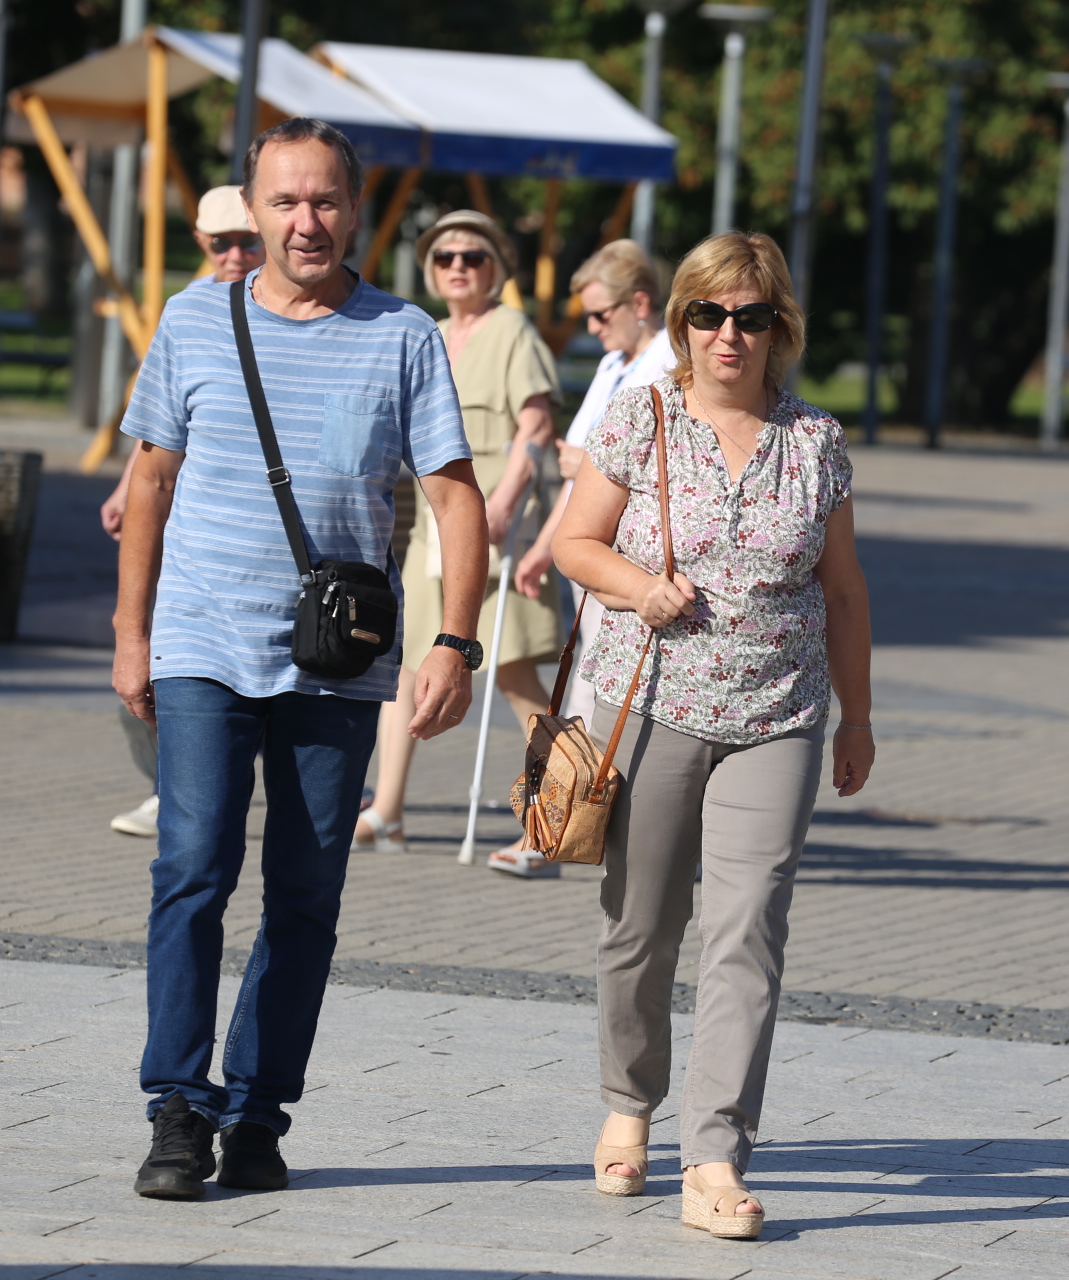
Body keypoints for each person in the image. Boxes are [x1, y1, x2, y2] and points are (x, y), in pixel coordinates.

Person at [112, 118, 487, 1200]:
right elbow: (148, 482)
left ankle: (260, 1109)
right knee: (191, 867)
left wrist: (455, 642)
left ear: (357, 209)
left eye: (324, 201)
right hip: (202, 640)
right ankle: (177, 1106)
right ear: (255, 209)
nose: (305, 221)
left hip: (337, 658)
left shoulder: (404, 334)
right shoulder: (193, 319)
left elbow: (456, 499)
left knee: (307, 893)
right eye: (284, 202)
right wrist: (132, 631)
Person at [551, 231, 875, 1240]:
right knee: (640, 925)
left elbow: (846, 589)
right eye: (708, 314)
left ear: (782, 328)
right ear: (681, 320)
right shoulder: (642, 419)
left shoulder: (815, 442)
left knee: (749, 932)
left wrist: (856, 717)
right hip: (646, 705)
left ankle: (714, 1150)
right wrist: (641, 588)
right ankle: (628, 1099)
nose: (729, 334)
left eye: (752, 316)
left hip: (778, 716)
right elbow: (573, 541)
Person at [353, 209, 565, 877]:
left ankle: (549, 823)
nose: (457, 268)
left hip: (498, 525)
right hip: (432, 531)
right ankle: (387, 810)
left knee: (514, 673)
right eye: (444, 257)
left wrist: (503, 504)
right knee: (409, 664)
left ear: (496, 266)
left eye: (472, 256)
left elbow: (535, 431)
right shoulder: (432, 333)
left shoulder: (512, 331)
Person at [99, 185, 267, 838]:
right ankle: (171, 789)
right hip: (181, 520)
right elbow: (157, 430)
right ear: (200, 243)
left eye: (245, 241)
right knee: (148, 662)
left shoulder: (300, 313)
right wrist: (124, 488)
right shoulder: (187, 311)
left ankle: (211, 788)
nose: (232, 254)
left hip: (249, 526)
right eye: (218, 243)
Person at [516, 239, 673, 723]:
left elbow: (660, 462)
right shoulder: (611, 364)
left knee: (601, 687)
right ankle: (586, 793)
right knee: (589, 673)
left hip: (629, 554)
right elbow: (576, 478)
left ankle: (596, 793)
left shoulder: (670, 364)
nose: (591, 326)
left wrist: (586, 464)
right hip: (589, 546)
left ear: (640, 304)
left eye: (601, 315)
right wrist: (548, 545)